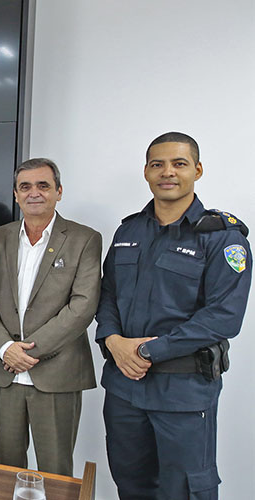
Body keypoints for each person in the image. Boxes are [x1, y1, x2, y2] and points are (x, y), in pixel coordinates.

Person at [96, 132, 251, 499]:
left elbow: (223, 317)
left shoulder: (222, 238)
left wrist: (149, 352)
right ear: (146, 172)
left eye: (179, 163)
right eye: (157, 164)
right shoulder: (128, 230)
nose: (168, 172)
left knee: (184, 491)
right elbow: (108, 294)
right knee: (132, 486)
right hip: (124, 389)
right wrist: (113, 341)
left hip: (183, 394)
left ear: (197, 170)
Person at [0, 158, 101, 475]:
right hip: (6, 372)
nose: (34, 193)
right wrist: (6, 348)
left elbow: (83, 305)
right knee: (8, 469)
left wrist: (28, 352)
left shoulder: (84, 239)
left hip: (57, 371)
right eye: (25, 186)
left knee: (56, 470)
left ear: (59, 191)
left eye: (43, 185)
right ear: (16, 195)